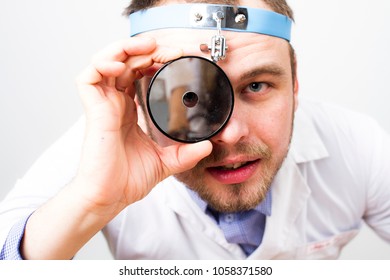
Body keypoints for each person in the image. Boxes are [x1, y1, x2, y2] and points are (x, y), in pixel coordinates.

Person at [1, 0, 389, 260]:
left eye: (256, 86)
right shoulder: (102, 148)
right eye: (190, 94)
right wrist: (92, 201)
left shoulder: (357, 145)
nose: (230, 133)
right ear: (138, 94)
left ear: (296, 84)